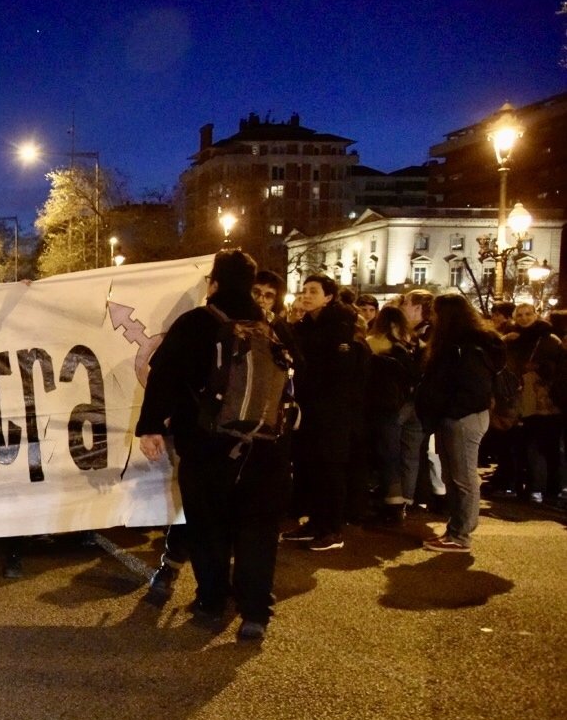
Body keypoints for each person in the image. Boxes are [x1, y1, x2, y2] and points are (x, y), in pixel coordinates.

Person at [136, 250, 293, 641]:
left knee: (209, 527)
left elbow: (164, 376)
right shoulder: (272, 327)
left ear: (215, 284)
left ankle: (212, 600)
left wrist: (151, 426)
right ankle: (255, 611)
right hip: (265, 448)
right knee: (257, 530)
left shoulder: (196, 323)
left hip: (209, 447)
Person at [414, 294, 503, 553]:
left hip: (462, 418)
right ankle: (456, 529)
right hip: (454, 416)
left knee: (462, 477)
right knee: (452, 476)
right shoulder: (458, 343)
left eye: (436, 312)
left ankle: (461, 534)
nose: (432, 317)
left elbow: (473, 389)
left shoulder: (467, 346)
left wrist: (451, 412)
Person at [283, 274, 365, 551]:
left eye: (313, 291)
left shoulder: (340, 327)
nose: (306, 295)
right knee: (311, 467)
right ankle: (315, 522)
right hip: (310, 410)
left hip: (333, 412)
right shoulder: (306, 325)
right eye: (304, 290)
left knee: (330, 469)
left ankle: (332, 529)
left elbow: (338, 373)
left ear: (328, 297)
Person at [365, 305, 425, 524]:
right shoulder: (416, 342)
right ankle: (406, 501)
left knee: (388, 454)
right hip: (415, 403)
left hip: (388, 405)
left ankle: (392, 502)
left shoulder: (375, 343)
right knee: (411, 454)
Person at [504, 302, 565, 504]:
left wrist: (539, 367)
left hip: (546, 401)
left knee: (544, 445)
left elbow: (559, 368)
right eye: (520, 314)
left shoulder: (549, 339)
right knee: (524, 444)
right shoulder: (513, 339)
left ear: (536, 315)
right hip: (522, 398)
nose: (524, 318)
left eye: (528, 314)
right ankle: (530, 485)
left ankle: (547, 487)